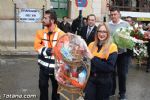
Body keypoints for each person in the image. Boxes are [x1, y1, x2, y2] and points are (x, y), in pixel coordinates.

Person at [34, 9, 65, 100]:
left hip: (56, 68)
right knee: (42, 87)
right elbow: (36, 46)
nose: (43, 20)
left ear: (52, 21)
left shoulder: (61, 34)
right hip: (43, 67)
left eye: (45, 18)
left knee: (56, 91)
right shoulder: (40, 32)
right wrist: (47, 50)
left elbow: (65, 51)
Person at [84, 23, 118, 100]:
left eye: (104, 32)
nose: (102, 34)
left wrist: (93, 58)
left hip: (105, 81)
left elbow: (109, 67)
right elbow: (85, 62)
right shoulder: (91, 45)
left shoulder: (112, 47)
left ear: (108, 33)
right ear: (97, 33)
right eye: (100, 31)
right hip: (92, 79)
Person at [108, 7, 130, 100]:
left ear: (119, 14)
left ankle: (122, 93)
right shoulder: (107, 25)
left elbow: (129, 37)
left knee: (122, 74)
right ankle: (112, 91)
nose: (113, 16)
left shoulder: (125, 24)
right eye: (112, 14)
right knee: (111, 73)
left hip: (123, 53)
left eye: (115, 14)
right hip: (112, 53)